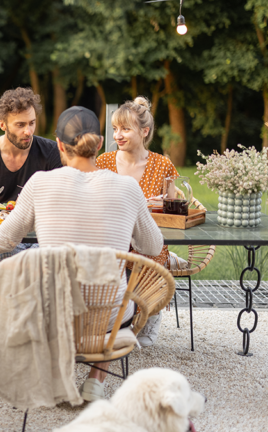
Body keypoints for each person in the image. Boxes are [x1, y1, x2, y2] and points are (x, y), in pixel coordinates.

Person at [0, 106, 163, 402]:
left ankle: (58, 374)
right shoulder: (128, 188)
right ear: (99, 144)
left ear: (58, 145)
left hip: (51, 315)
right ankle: (96, 379)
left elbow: (0, 242)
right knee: (113, 293)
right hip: (109, 318)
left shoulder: (39, 184)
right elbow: (153, 248)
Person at [96, 96, 177, 347]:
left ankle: (150, 312)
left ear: (144, 131)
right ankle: (113, 318)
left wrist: (156, 205)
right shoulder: (103, 162)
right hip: (114, 240)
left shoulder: (163, 165)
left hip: (147, 243)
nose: (118, 135)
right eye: (115, 129)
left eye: (125, 129)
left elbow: (171, 215)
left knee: (151, 255)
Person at [0, 87, 62, 266]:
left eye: (32, 123)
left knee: (41, 264)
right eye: (20, 125)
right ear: (3, 125)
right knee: (9, 265)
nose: (28, 131)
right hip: (0, 233)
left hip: (39, 234)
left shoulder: (51, 152)